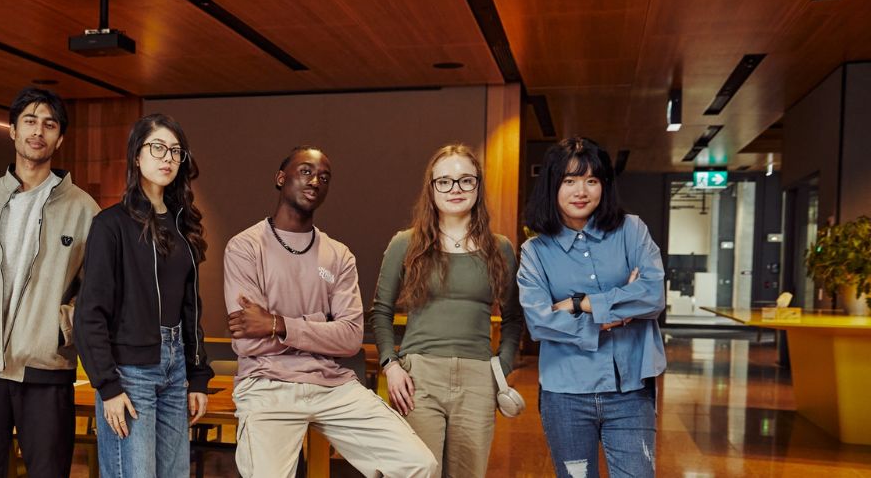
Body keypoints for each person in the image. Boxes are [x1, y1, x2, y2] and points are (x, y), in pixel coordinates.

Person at [224, 146, 439, 478]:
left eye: (324, 177)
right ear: (281, 179)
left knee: (418, 465)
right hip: (267, 384)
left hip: (333, 385)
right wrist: (320, 324)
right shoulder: (245, 247)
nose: (315, 182)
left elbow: (350, 338)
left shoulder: (338, 256)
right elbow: (249, 342)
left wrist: (277, 323)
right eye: (306, 172)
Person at [0, 87, 100, 478]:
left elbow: (95, 288)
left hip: (45, 370)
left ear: (59, 138)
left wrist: (61, 328)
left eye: (49, 124)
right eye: (29, 121)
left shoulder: (84, 209)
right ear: (12, 130)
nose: (38, 131)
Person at [370, 144, 526, 477]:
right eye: (445, 181)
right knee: (418, 472)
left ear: (478, 186)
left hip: (478, 378)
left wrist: (501, 366)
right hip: (418, 377)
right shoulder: (405, 244)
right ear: (431, 188)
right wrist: (390, 364)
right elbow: (380, 311)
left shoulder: (499, 248)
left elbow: (514, 318)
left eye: (465, 180)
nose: (455, 189)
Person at [517, 137, 666, 478]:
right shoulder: (535, 251)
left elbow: (653, 295)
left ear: (604, 185)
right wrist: (618, 311)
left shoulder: (632, 230)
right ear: (553, 187)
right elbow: (539, 322)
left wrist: (579, 303)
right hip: (565, 394)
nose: (580, 191)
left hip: (630, 389)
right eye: (569, 181)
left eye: (591, 180)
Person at [75, 113, 215, 477]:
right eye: (157, 148)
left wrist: (197, 376)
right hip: (130, 371)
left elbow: (191, 309)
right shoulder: (111, 225)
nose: (167, 157)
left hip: (176, 366)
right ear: (136, 156)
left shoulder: (184, 225)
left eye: (175, 151)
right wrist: (107, 385)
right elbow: (90, 313)